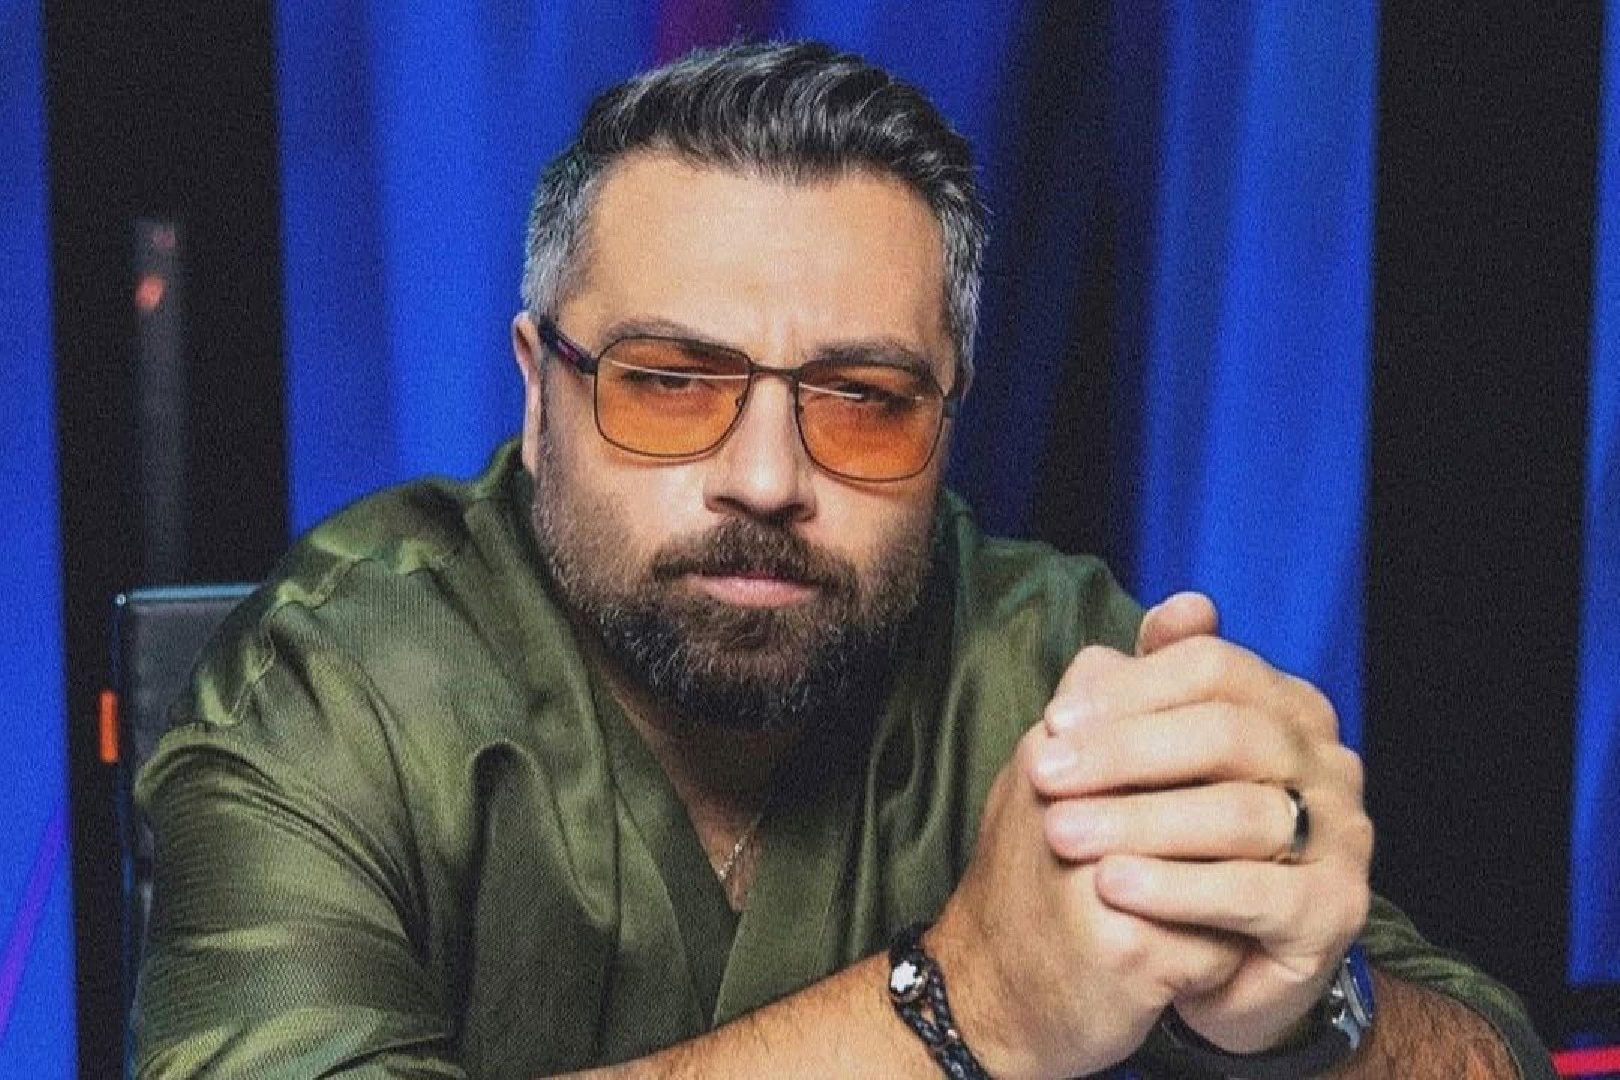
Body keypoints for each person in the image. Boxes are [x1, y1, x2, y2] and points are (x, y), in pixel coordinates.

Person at [134, 41, 1553, 1079]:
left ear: (948, 420)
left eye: (864, 401)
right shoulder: (335, 684)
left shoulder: (1053, 665)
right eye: (669, 383)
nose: (767, 478)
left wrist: (1304, 1017)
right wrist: (966, 1005)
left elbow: (1487, 1051)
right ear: (537, 387)